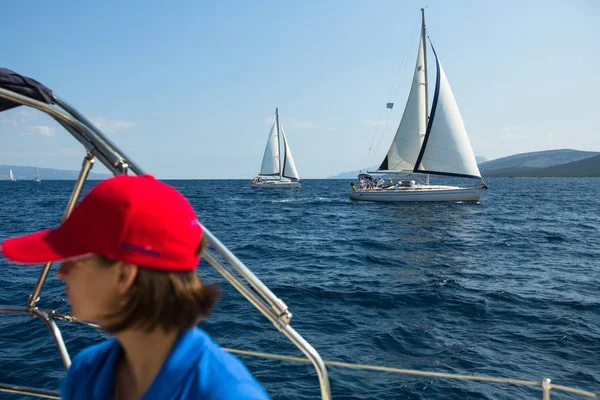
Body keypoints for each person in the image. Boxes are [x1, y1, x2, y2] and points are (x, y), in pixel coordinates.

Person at [1, 174, 270, 400]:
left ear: (124, 276)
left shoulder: (227, 393)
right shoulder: (85, 372)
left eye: (74, 261)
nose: (60, 273)